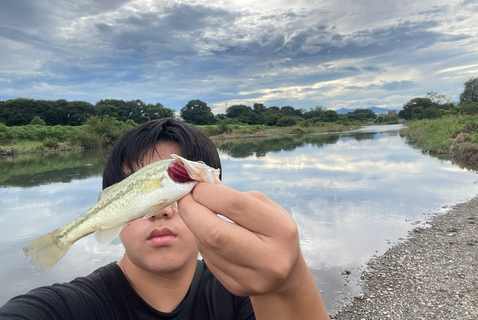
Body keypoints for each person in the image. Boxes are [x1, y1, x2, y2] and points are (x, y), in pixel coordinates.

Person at [0, 118, 329, 320]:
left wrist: (287, 286)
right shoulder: (65, 308)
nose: (161, 209)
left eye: (180, 197)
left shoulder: (247, 296)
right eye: (134, 188)